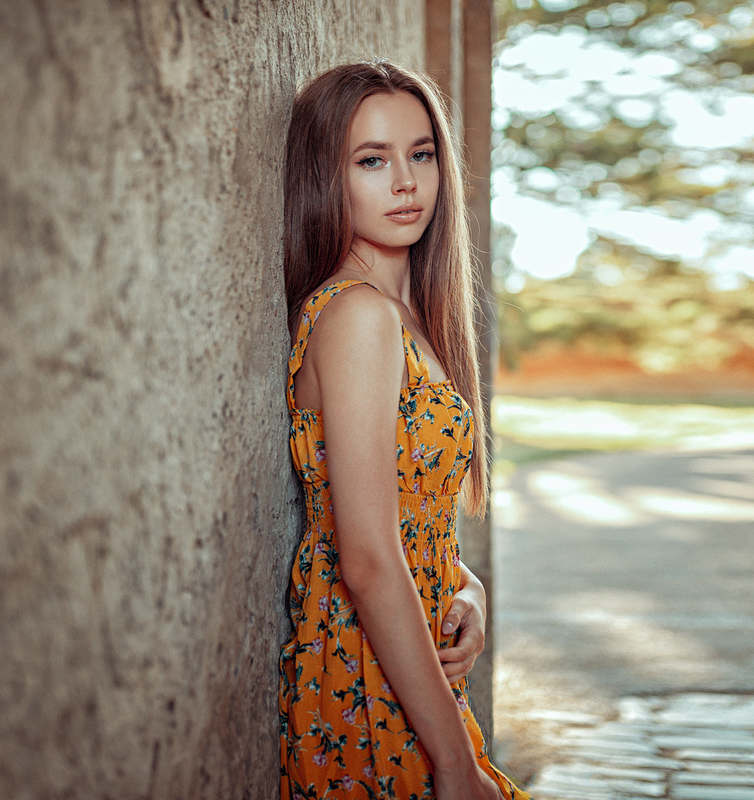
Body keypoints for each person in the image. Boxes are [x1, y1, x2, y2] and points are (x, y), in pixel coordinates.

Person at [278, 60, 530, 800]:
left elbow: (409, 512)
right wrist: (455, 764)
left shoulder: (407, 317)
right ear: (325, 176)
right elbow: (364, 556)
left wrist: (467, 587)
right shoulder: (356, 317)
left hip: (411, 673)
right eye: (371, 160)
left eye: (421, 154)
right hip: (363, 685)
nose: (406, 183)